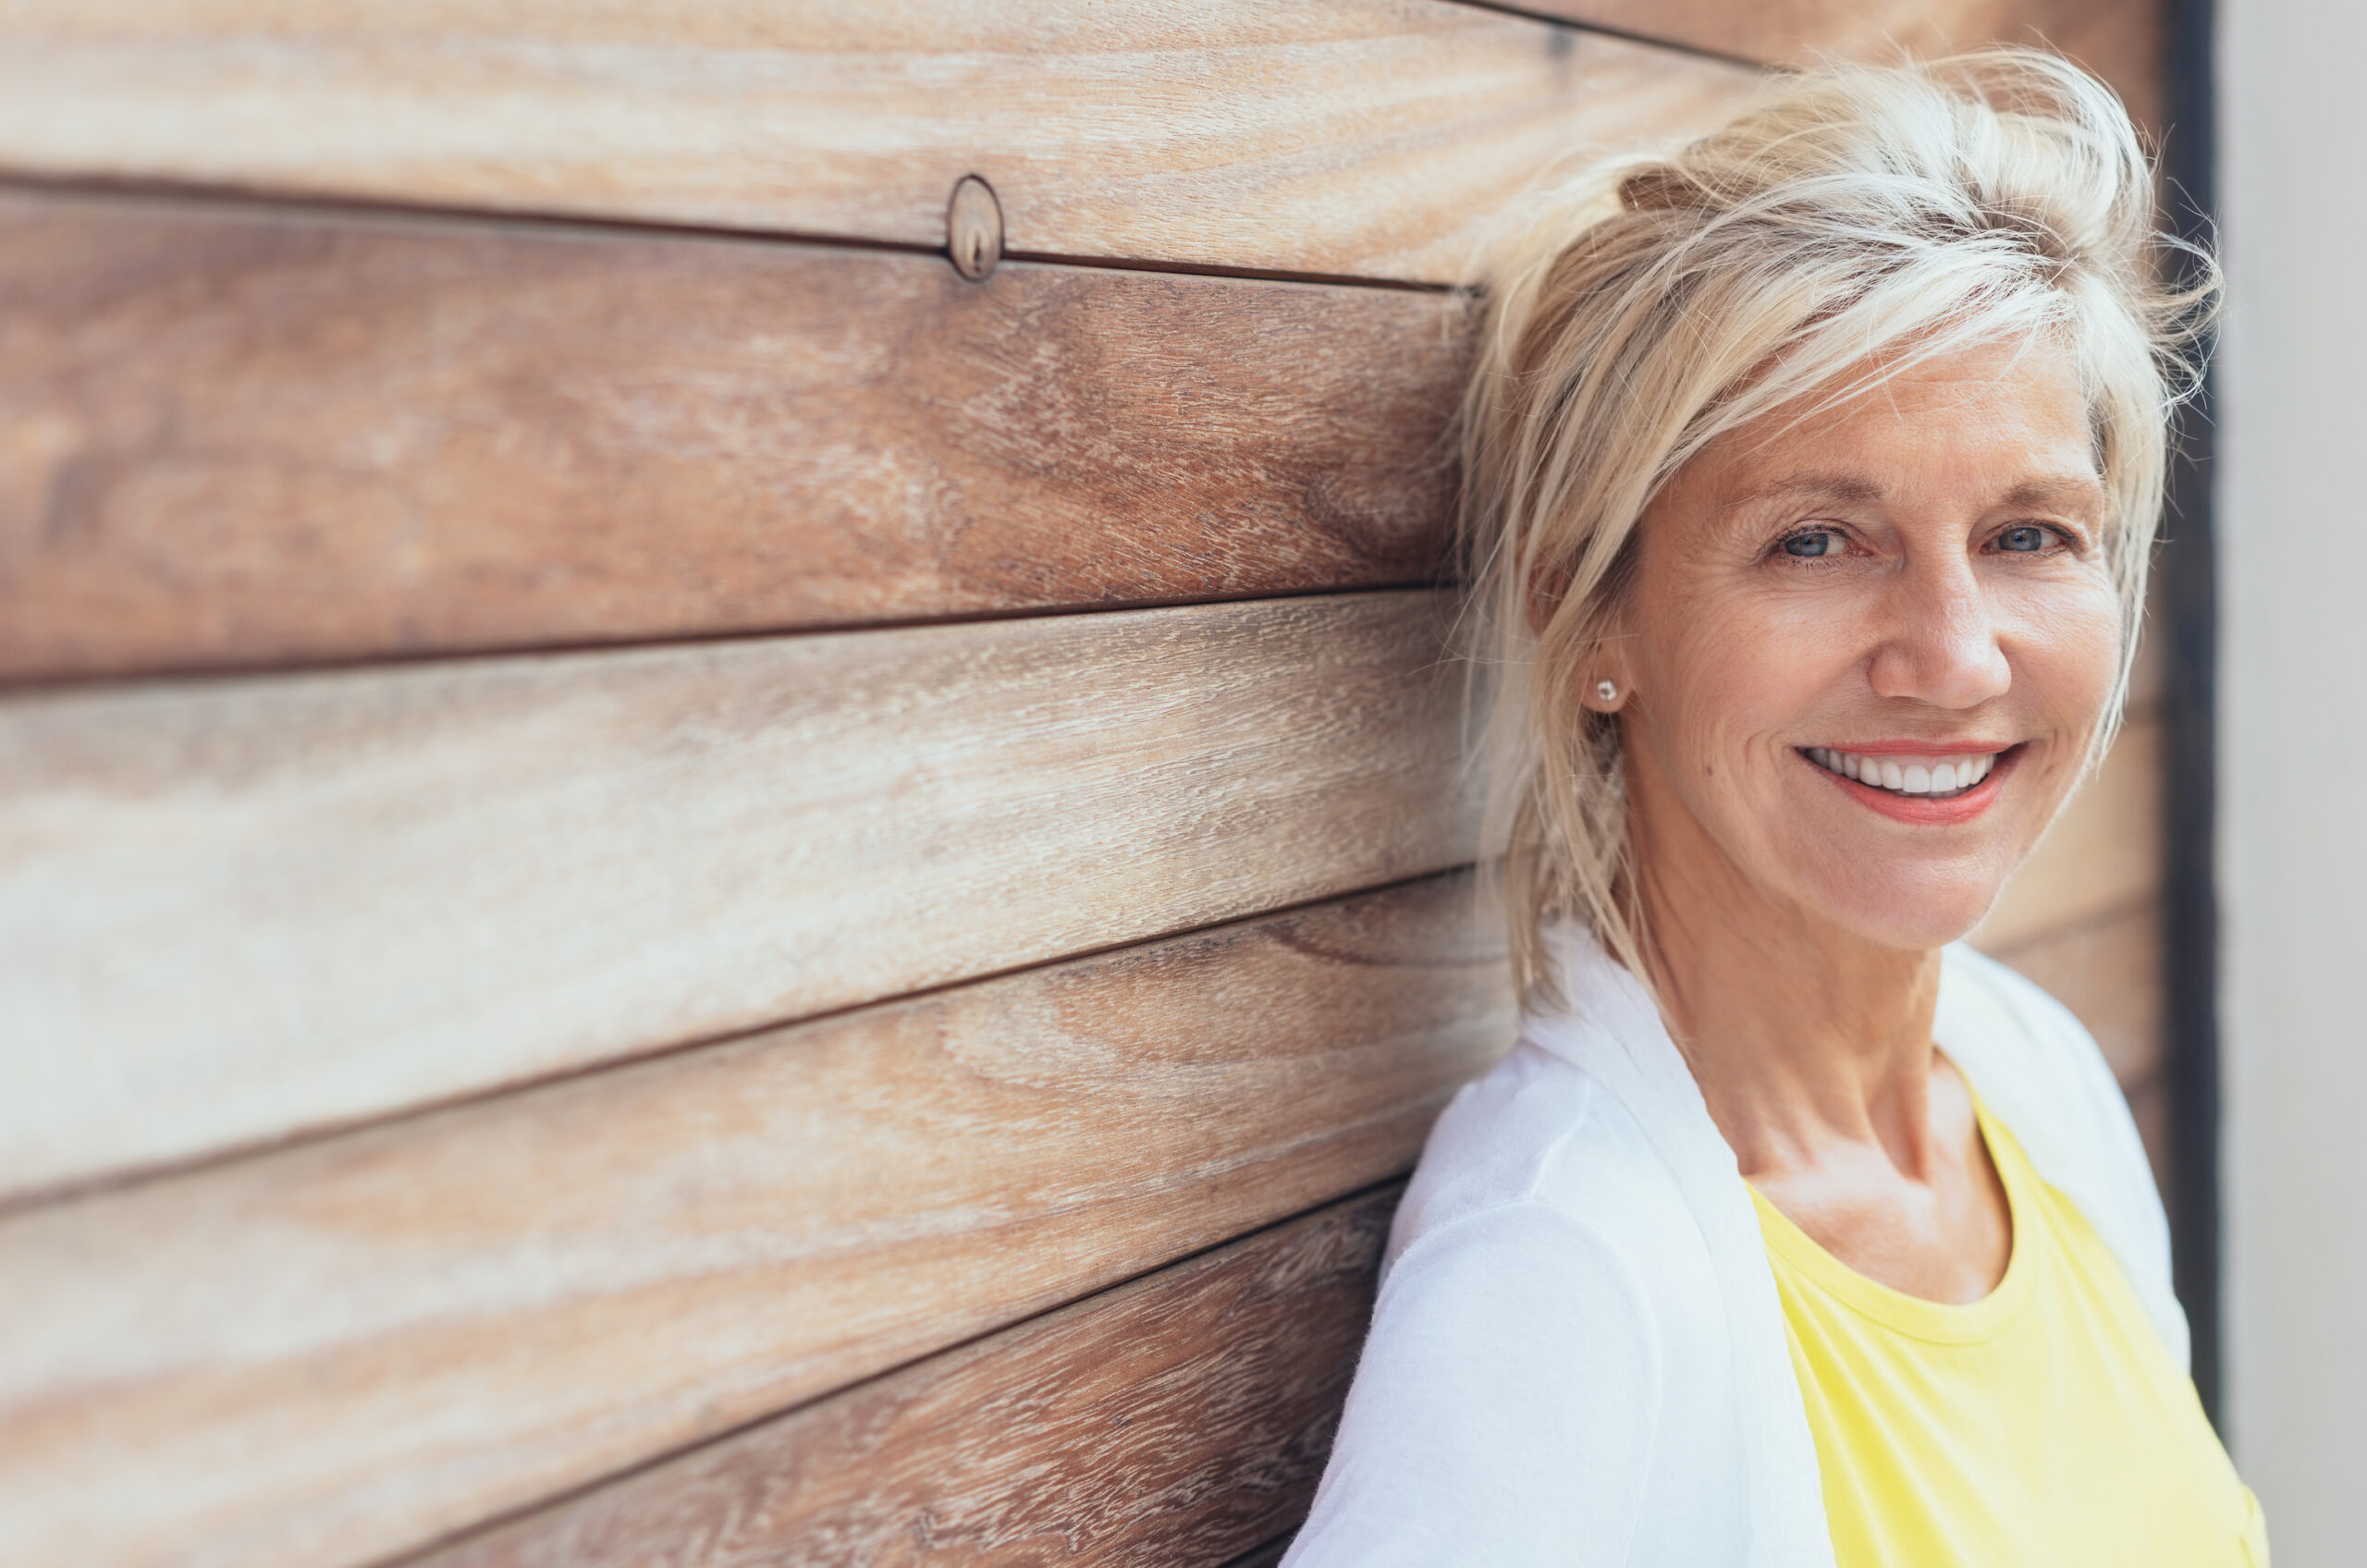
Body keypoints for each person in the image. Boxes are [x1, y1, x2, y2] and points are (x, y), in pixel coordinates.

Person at [1282, 51, 2263, 1568]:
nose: (1950, 657)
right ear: (1591, 617)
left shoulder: (2031, 1088)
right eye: (1817, 539)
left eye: (2026, 532)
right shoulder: (1563, 1273)